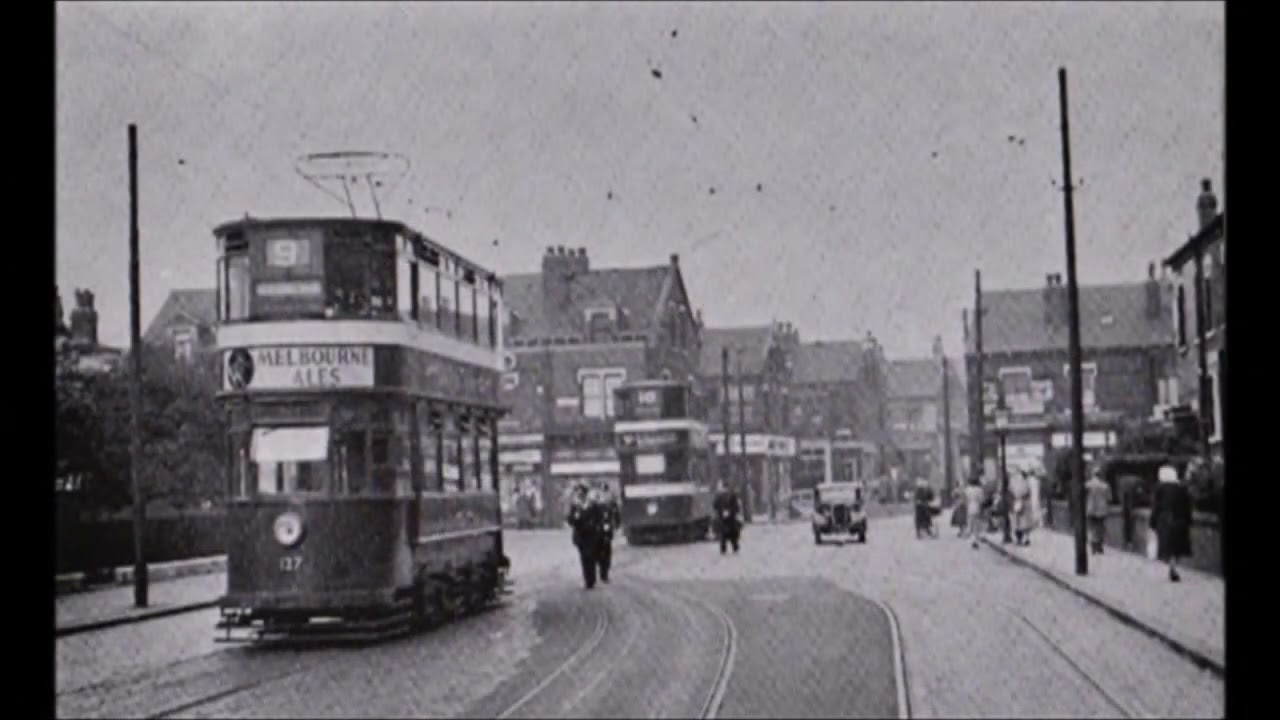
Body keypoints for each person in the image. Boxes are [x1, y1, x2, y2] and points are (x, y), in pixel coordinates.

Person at [1150, 465, 1193, 582]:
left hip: (1165, 521)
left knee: (1168, 547)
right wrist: (1189, 521)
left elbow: (1156, 507)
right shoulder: (1182, 488)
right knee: (1177, 547)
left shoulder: (1159, 489)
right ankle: (1173, 567)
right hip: (1180, 521)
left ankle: (1172, 567)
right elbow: (1188, 506)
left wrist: (1152, 522)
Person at [566, 481, 603, 589]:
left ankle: (591, 579)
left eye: (582, 491)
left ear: (585, 493)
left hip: (592, 535)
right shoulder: (575, 505)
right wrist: (574, 518)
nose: (580, 494)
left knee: (591, 556)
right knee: (584, 558)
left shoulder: (593, 504)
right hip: (581, 535)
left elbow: (599, 518)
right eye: (578, 492)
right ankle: (587, 579)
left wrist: (596, 527)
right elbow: (570, 520)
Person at [591, 482, 621, 583]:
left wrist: (616, 524)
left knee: (606, 552)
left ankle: (604, 573)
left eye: (605, 491)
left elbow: (616, 514)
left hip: (606, 531)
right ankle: (597, 571)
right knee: (596, 552)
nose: (604, 496)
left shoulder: (611, 503)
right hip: (596, 531)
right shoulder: (594, 503)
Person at [1084, 467, 1112, 555]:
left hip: (1091, 509)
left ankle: (1093, 546)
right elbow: (1109, 498)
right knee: (1100, 528)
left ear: (1093, 474)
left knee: (1092, 528)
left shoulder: (1087, 485)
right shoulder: (1105, 486)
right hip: (1101, 510)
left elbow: (1083, 496)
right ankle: (1099, 546)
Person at [713, 479, 742, 554]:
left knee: (728, 535)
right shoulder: (722, 497)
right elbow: (715, 506)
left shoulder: (730, 496)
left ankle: (730, 547)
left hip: (728, 519)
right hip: (726, 519)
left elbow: (715, 506)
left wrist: (729, 512)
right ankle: (731, 547)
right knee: (728, 535)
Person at [1010, 469, 1035, 546]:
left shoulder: (1016, 483)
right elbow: (1029, 493)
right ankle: (1026, 539)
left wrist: (1016, 497)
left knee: (1018, 522)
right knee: (1024, 522)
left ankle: (1020, 539)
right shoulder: (1027, 483)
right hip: (1024, 504)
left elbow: (1013, 492)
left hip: (1019, 503)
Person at [1118, 473, 1139, 551]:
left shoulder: (1122, 483)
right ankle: (1129, 543)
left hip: (1126, 509)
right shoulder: (1135, 483)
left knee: (1125, 526)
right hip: (1130, 509)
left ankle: (1126, 543)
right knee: (1130, 526)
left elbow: (1122, 497)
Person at [963, 476, 985, 549]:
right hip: (977, 507)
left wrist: (967, 505)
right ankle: (975, 541)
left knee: (970, 525)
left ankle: (972, 540)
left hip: (970, 507)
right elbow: (981, 500)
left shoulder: (967, 490)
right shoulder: (979, 490)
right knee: (976, 525)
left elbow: (965, 499)